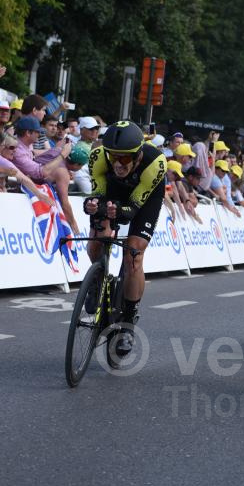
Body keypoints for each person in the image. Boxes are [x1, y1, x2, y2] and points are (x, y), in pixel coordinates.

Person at [84, 121, 167, 358]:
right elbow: (98, 193)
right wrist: (92, 204)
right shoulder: (99, 156)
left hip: (144, 197)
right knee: (96, 243)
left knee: (134, 256)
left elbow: (133, 208)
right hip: (113, 191)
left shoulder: (155, 163)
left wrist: (121, 212)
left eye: (125, 158)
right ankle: (97, 284)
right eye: (114, 157)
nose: (118, 163)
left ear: (138, 155)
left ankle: (128, 322)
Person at [10, 115, 80, 234]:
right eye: (37, 132)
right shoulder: (18, 150)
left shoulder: (27, 144)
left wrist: (58, 152)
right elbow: (40, 172)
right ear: (28, 133)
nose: (40, 135)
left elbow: (36, 159)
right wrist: (62, 155)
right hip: (15, 193)